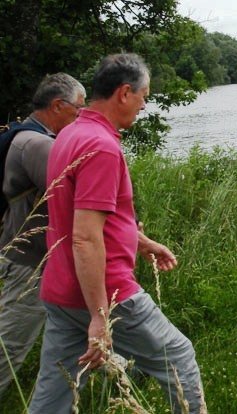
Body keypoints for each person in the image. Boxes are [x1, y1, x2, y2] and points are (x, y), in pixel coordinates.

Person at [29, 54, 205, 414]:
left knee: (56, 390)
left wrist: (140, 242)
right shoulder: (102, 147)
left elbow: (79, 215)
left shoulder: (69, 135)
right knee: (180, 358)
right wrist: (99, 313)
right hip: (107, 291)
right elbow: (84, 237)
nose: (144, 105)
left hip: (60, 288)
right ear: (125, 93)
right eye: (144, 96)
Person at [0, 74, 85, 397]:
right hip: (31, 263)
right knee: (11, 344)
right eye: (78, 108)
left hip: (45, 259)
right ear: (57, 105)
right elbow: (79, 196)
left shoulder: (24, 135)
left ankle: (108, 378)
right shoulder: (38, 144)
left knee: (85, 324)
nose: (81, 116)